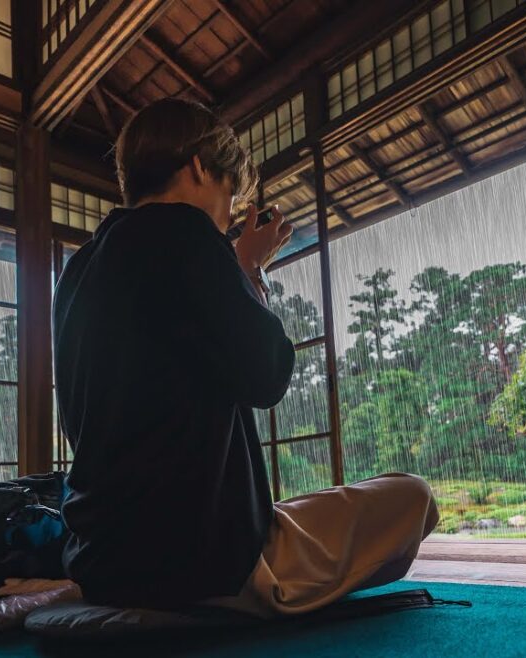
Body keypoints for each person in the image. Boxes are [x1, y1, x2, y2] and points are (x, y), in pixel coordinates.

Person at [53, 97, 439, 617]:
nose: (227, 213)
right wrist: (249, 268)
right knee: (413, 498)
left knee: (301, 511)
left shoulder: (77, 270)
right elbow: (268, 375)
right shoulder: (187, 231)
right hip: (202, 561)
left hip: (98, 558)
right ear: (197, 166)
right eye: (229, 192)